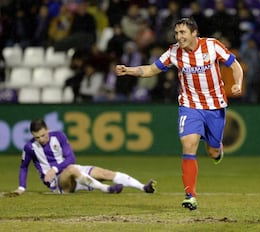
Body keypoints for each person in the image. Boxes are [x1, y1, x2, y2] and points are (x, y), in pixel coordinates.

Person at [115, 17, 243, 210]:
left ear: (194, 33)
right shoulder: (174, 52)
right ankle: (190, 195)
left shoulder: (212, 46)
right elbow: (151, 69)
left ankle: (217, 150)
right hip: (189, 105)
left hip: (215, 106)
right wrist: (128, 70)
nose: (179, 37)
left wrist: (238, 83)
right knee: (188, 145)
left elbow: (235, 65)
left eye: (182, 32)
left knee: (213, 151)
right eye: (176, 33)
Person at [5, 119, 156, 197]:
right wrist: (21, 188)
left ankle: (143, 187)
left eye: (43, 135)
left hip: (71, 171)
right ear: (32, 136)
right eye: (37, 137)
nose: (41, 139)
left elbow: (71, 157)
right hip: (57, 184)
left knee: (104, 173)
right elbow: (24, 167)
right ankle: (107, 189)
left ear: (48, 130)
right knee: (72, 169)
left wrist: (55, 168)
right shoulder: (29, 147)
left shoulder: (59, 136)